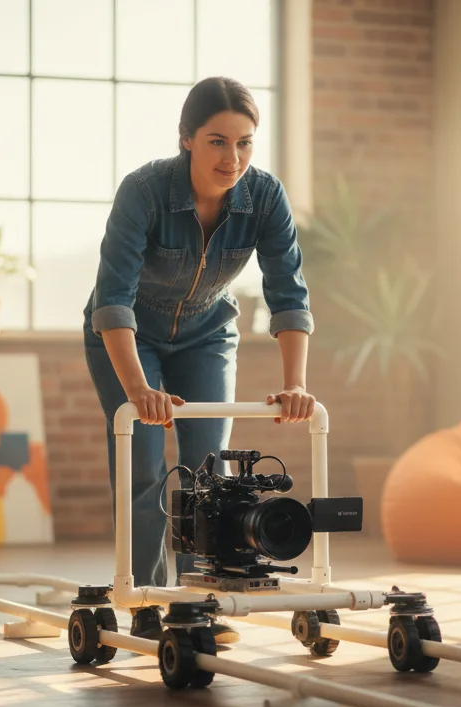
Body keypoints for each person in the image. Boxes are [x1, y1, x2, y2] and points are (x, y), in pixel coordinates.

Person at [82, 76, 317, 644]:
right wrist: (140, 391)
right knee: (143, 468)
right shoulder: (144, 190)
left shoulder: (265, 196)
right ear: (186, 138)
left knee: (209, 473)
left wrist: (295, 387)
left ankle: (196, 602)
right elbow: (112, 299)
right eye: (217, 141)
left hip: (207, 333)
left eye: (244, 142)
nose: (232, 158)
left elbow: (289, 294)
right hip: (128, 335)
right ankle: (143, 597)